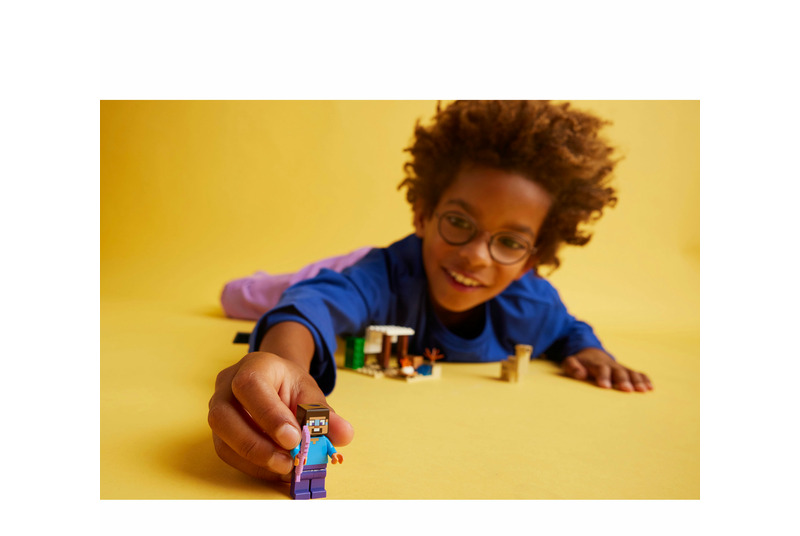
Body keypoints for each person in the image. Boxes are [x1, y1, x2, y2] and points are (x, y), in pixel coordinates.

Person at [208, 100, 653, 483]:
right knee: (272, 292)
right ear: (422, 215)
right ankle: (259, 284)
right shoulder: (381, 279)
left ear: (530, 263)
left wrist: (592, 351)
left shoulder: (533, 305)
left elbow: (568, 329)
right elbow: (312, 305)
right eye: (458, 221)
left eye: (510, 242)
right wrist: (283, 363)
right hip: (366, 269)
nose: (475, 256)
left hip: (394, 273)